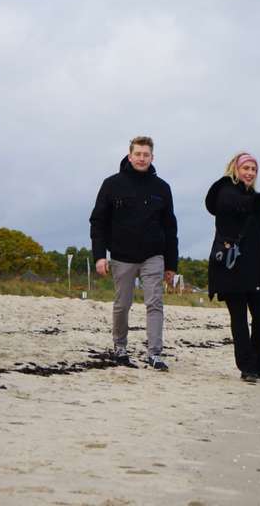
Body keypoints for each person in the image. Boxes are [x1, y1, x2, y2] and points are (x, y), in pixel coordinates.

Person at [89, 136, 178, 370]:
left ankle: (155, 353)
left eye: (146, 154)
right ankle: (120, 347)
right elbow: (97, 222)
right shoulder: (111, 184)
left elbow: (170, 228)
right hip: (121, 255)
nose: (141, 158)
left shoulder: (162, 188)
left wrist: (171, 265)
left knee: (155, 303)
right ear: (130, 156)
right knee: (122, 304)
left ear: (152, 157)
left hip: (153, 255)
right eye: (137, 154)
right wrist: (99, 255)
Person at [205, 152, 260, 382]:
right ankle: (247, 367)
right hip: (232, 266)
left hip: (258, 267)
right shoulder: (225, 190)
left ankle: (257, 359)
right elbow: (237, 204)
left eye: (254, 169)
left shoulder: (254, 197)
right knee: (240, 319)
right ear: (235, 169)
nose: (250, 173)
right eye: (246, 168)